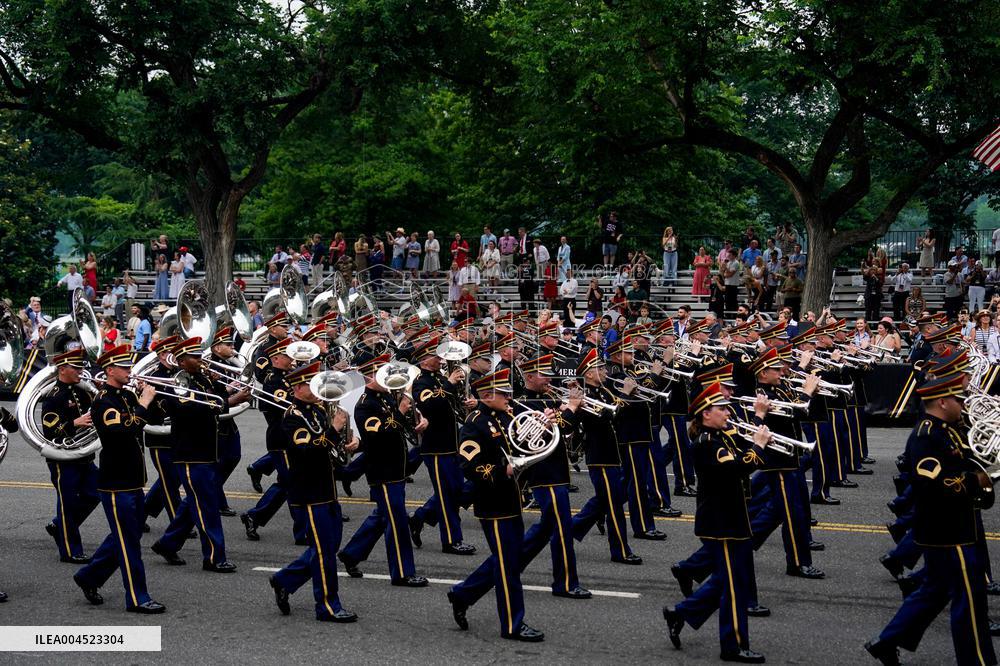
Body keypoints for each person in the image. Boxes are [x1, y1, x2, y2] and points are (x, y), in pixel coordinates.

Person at [865, 374, 996, 666]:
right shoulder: (927, 436)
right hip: (948, 530)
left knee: (934, 592)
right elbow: (936, 486)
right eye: (958, 400)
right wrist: (978, 480)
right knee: (969, 601)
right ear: (942, 401)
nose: (963, 404)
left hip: (949, 525)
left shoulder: (945, 429)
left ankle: (886, 642)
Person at [663, 383, 768, 663]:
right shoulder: (708, 443)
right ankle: (732, 646)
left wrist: (758, 424)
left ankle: (682, 612)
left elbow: (744, 446)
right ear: (705, 414)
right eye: (721, 409)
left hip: (734, 519)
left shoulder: (722, 435)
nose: (727, 412)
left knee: (731, 579)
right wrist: (759, 446)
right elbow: (737, 468)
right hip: (721, 523)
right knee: (734, 586)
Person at [447, 369, 545, 642]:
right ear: (487, 396)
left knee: (508, 559)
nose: (509, 397)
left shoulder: (504, 416)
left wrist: (543, 423)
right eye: (504, 393)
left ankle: (463, 594)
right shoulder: (474, 423)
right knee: (508, 567)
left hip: (511, 500)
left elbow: (521, 444)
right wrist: (505, 472)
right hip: (493, 504)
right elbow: (469, 466)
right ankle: (513, 625)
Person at [71, 344, 164, 614]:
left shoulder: (124, 396)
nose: (129, 371)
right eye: (124, 367)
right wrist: (143, 402)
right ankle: (137, 598)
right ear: (109, 370)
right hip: (115, 483)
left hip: (133, 479)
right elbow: (125, 430)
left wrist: (150, 398)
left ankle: (89, 576)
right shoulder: (103, 401)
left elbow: (152, 417)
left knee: (127, 536)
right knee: (129, 544)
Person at [268, 361, 359, 623]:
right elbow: (306, 451)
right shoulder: (292, 418)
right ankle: (328, 606)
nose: (319, 387)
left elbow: (329, 448)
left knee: (329, 546)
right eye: (312, 383)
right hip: (309, 492)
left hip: (326, 487)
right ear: (298, 387)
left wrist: (349, 443)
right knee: (323, 552)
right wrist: (334, 430)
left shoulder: (318, 410)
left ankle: (284, 580)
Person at [151, 337, 242, 573]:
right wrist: (228, 399)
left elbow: (217, 401)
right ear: (182, 361)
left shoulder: (201, 378)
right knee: (207, 507)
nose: (201, 359)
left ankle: (167, 543)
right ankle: (214, 557)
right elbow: (190, 411)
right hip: (190, 454)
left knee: (194, 504)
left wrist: (219, 384)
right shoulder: (177, 383)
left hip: (206, 450)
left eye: (200, 355)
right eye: (195, 356)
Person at [338, 354, 429, 586]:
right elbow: (379, 437)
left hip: (396, 468)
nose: (390, 376)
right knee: (397, 521)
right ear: (370, 374)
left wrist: (419, 420)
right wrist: (400, 411)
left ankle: (351, 554)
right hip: (383, 471)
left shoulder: (387, 396)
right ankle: (402, 573)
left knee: (382, 516)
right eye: (382, 371)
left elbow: (400, 428)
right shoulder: (365, 405)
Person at [408, 338, 478, 554]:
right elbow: (429, 404)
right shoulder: (421, 382)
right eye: (435, 356)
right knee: (448, 496)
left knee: (455, 492)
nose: (440, 359)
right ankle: (451, 541)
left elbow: (449, 403)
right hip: (435, 447)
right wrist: (449, 383)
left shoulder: (438, 378)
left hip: (451, 443)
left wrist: (468, 401)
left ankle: (419, 518)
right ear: (423, 360)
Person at [40, 349, 100, 564]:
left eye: (81, 367)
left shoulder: (82, 391)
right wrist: (74, 423)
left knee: (95, 493)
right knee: (67, 503)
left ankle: (59, 526)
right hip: (63, 460)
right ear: (62, 369)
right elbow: (49, 432)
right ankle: (70, 550)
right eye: (76, 368)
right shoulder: (54, 397)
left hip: (83, 455)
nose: (80, 371)